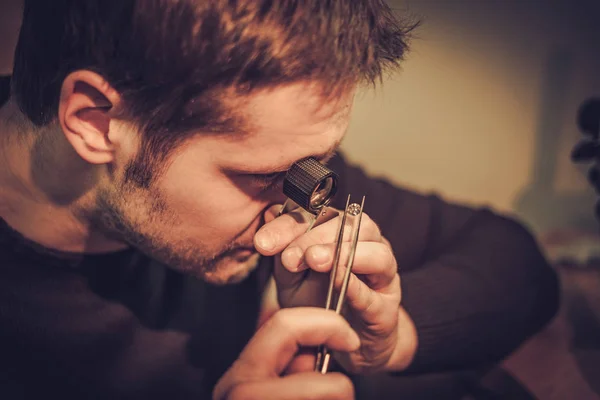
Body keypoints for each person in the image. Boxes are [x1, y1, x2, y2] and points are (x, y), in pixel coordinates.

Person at [0, 1, 559, 399]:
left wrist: (383, 341)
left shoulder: (286, 174)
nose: (292, 212)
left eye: (313, 166)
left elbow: (516, 264)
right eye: (264, 176)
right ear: (97, 122)